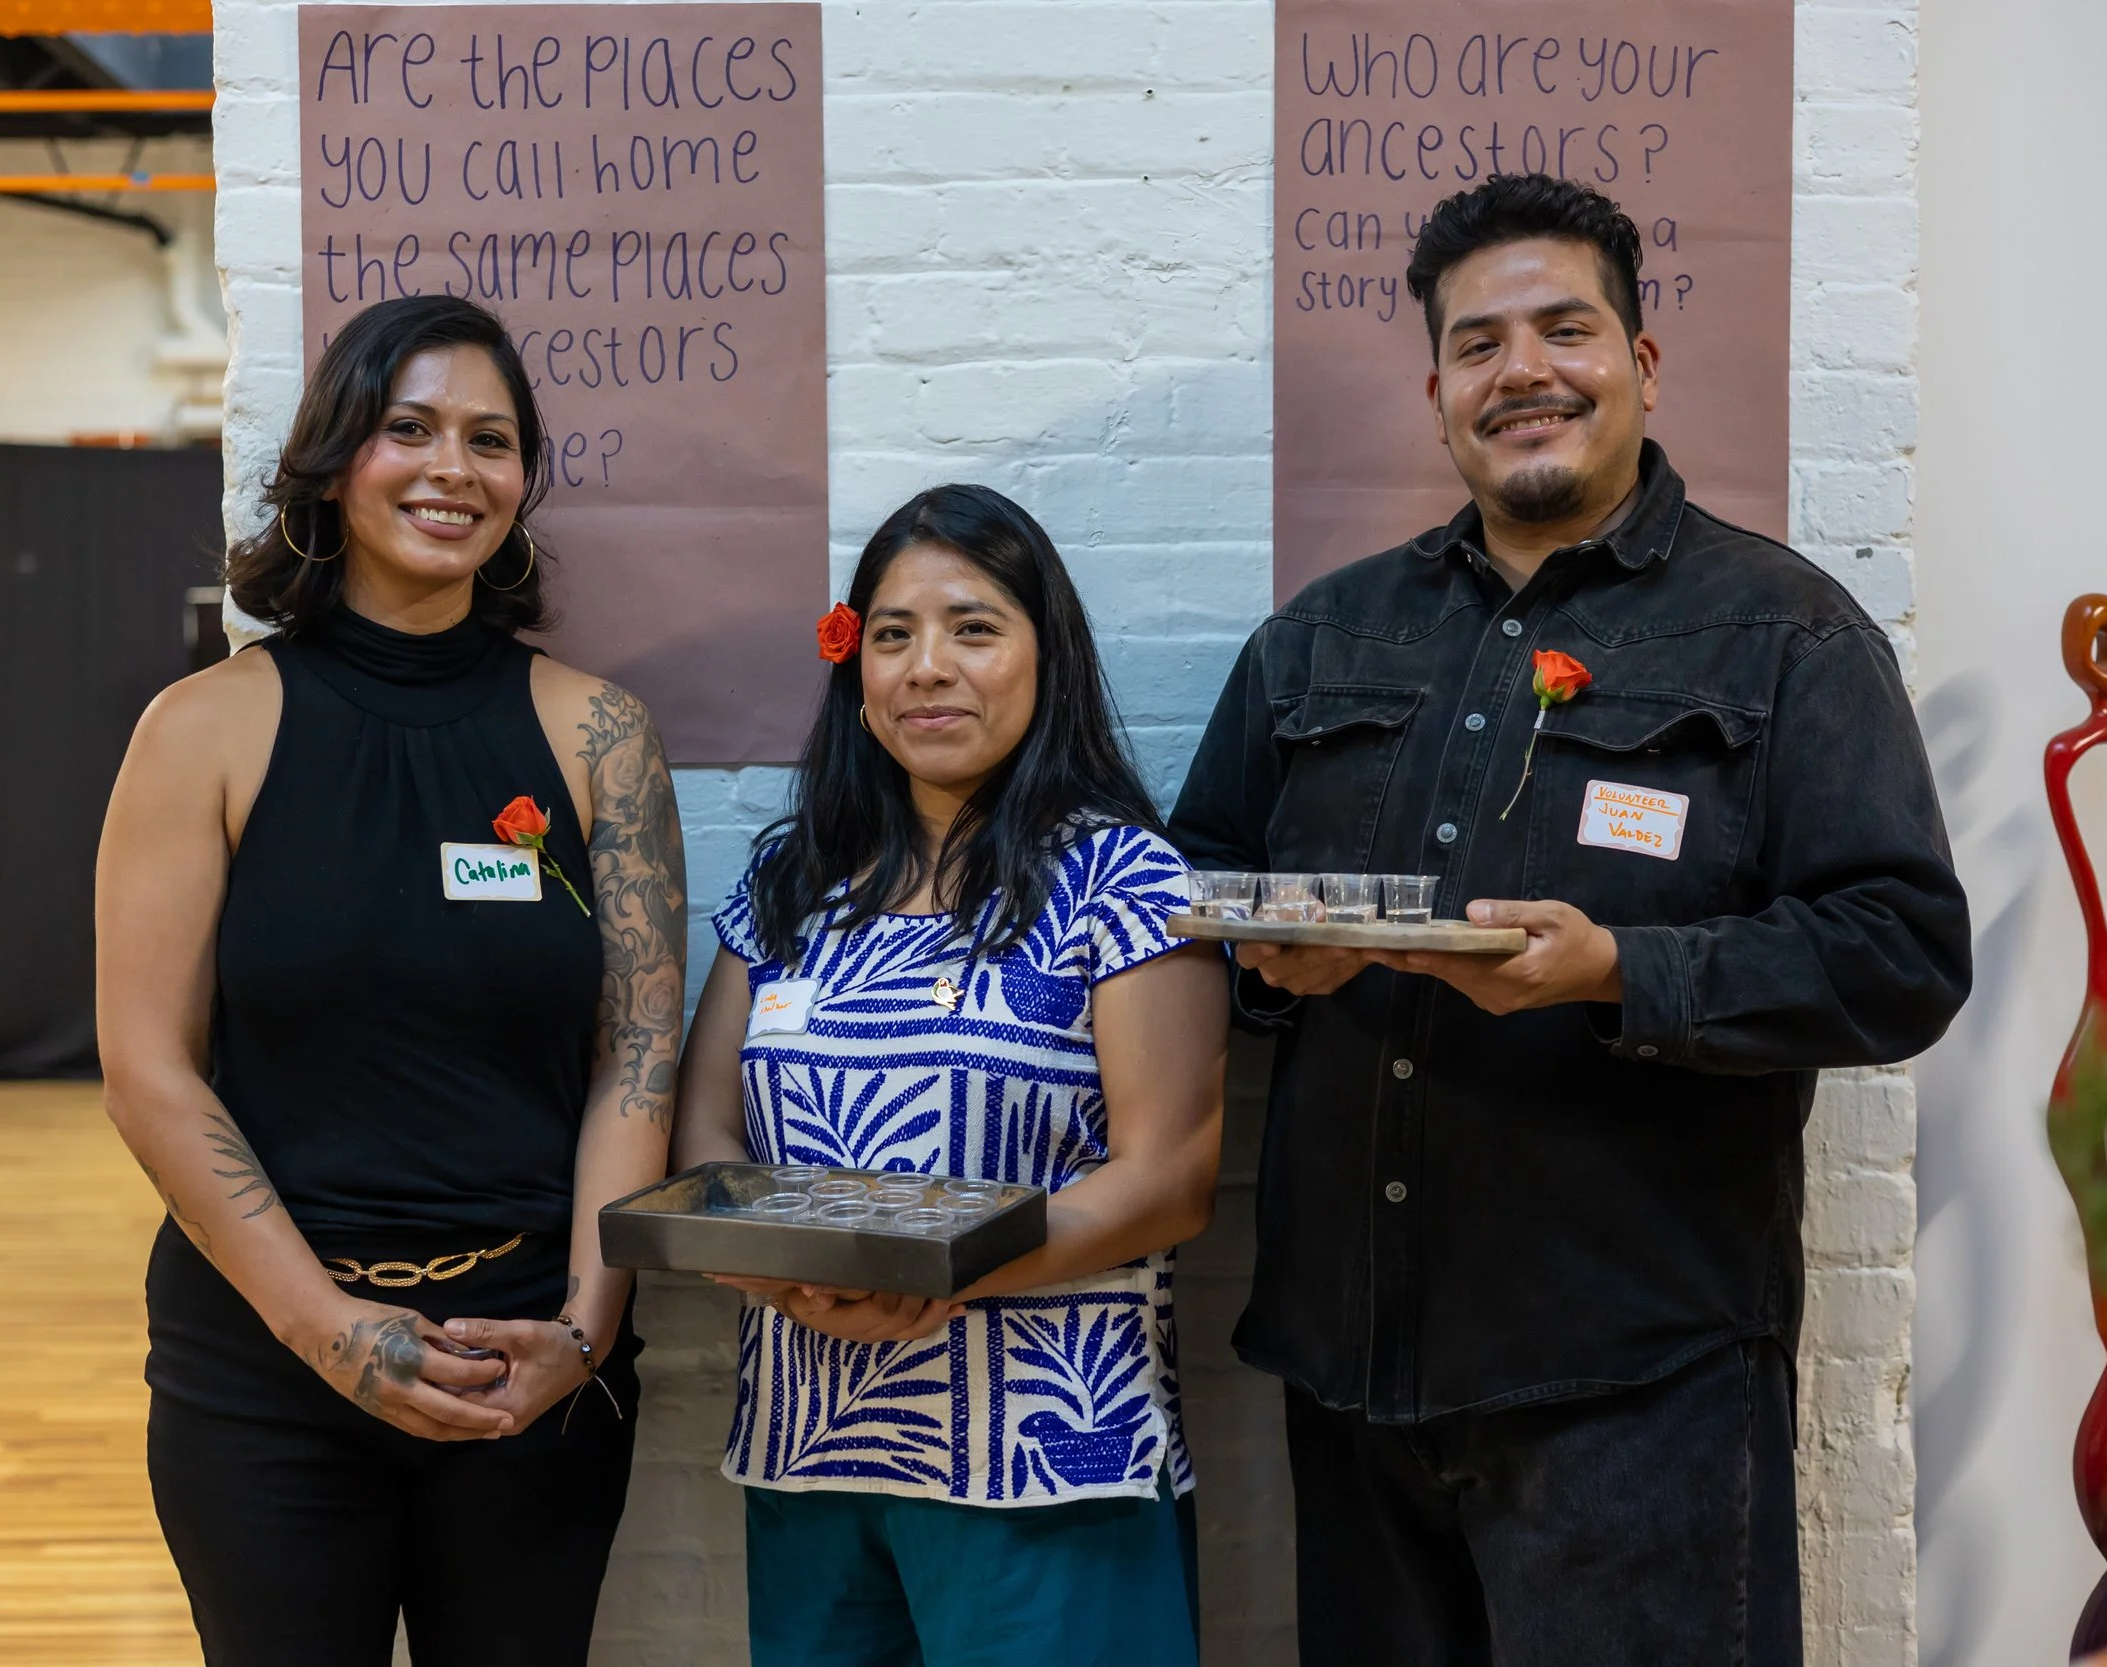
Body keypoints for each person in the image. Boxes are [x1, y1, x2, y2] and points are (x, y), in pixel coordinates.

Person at [1170, 175, 1972, 1665]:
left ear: (1643, 363)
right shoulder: (1318, 639)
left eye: (1564, 328)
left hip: (1638, 1392)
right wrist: (1271, 965)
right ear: (1437, 394)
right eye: (1479, 345)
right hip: (1350, 1377)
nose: (1523, 369)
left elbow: (1902, 950)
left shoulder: (1787, 634)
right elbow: (1188, 895)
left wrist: (1625, 973)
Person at [95, 293, 686, 1666]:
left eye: (491, 438)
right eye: (408, 427)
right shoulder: (205, 729)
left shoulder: (600, 732)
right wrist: (332, 1332)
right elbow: (148, 1072)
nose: (451, 467)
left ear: (524, 480)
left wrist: (583, 1333)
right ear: (335, 453)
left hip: (531, 1359)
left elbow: (638, 1060)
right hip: (262, 1373)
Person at [671, 484, 1229, 1667]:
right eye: (892, 633)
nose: (928, 666)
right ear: (855, 667)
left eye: (973, 627)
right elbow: (704, 1131)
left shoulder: (1125, 876)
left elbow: (1170, 1177)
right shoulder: (789, 880)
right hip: (812, 1440)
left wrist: (936, 1273)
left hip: (1049, 1458)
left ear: (1046, 655)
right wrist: (785, 1278)